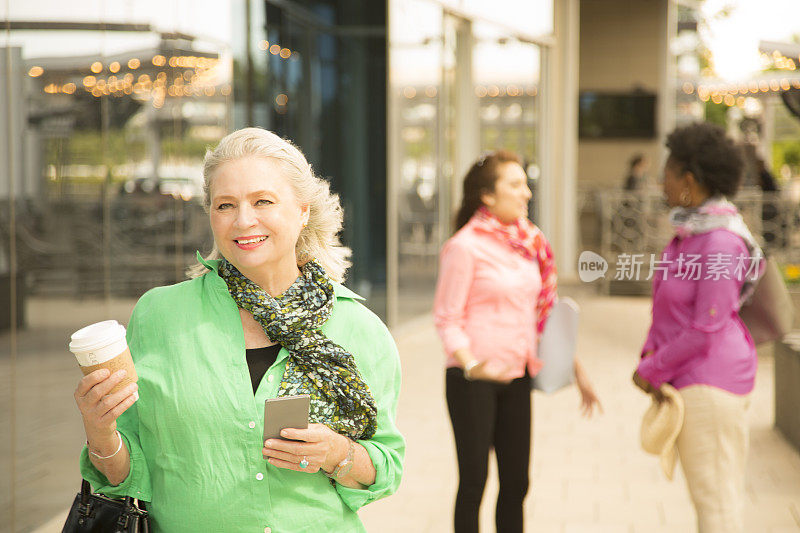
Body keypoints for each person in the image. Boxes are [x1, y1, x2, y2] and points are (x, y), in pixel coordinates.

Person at [73, 127, 405, 532]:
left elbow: (385, 470)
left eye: (263, 201)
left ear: (303, 210)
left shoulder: (358, 327)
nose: (243, 220)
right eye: (225, 205)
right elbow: (124, 473)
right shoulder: (159, 315)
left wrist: (337, 453)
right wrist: (100, 428)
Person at [433, 150, 602, 533]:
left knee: (517, 482)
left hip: (518, 375)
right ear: (487, 196)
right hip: (471, 380)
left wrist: (577, 370)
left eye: (525, 183)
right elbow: (447, 317)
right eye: (515, 184)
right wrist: (472, 363)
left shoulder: (530, 244)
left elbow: (545, 313)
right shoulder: (464, 246)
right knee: (475, 482)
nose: (526, 193)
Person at [633, 122, 763, 533]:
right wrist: (650, 357)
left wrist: (651, 370)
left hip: (710, 387)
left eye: (667, 173)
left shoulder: (720, 241)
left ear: (688, 180)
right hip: (693, 379)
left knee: (717, 508)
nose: (660, 181)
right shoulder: (692, 233)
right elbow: (667, 309)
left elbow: (706, 328)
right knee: (711, 501)